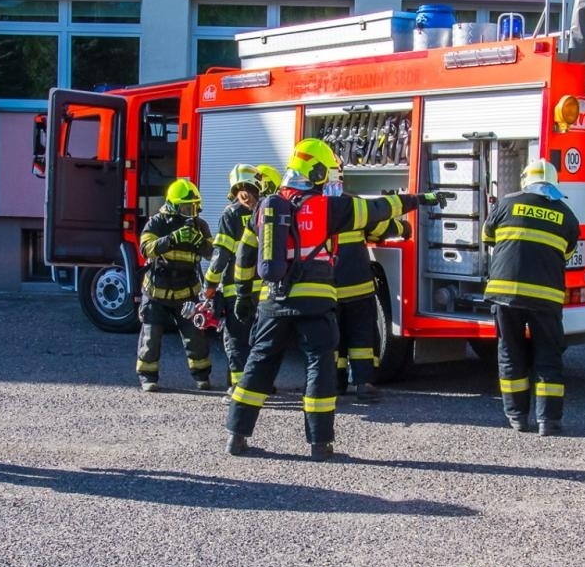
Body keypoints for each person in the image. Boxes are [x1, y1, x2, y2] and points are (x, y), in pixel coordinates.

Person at [225, 138, 434, 460]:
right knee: (319, 366)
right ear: (319, 171)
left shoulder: (266, 207)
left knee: (259, 365)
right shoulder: (329, 207)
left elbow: (244, 254)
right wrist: (419, 199)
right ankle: (320, 444)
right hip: (315, 300)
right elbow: (378, 208)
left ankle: (236, 437)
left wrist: (242, 295)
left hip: (273, 300)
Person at [481, 159, 581, 436]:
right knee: (548, 355)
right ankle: (549, 422)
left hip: (505, 293)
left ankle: (517, 418)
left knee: (510, 352)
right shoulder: (567, 214)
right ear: (553, 182)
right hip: (546, 296)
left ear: (526, 180)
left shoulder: (505, 204)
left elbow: (487, 237)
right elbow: (567, 254)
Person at [331, 187, 409, 403]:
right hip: (358, 286)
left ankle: (335, 383)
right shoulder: (354, 204)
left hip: (328, 288)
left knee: (332, 338)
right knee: (361, 336)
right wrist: (404, 227)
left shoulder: (314, 207)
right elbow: (379, 228)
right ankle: (363, 384)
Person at [136, 178, 214, 392]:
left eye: (194, 206)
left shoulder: (200, 225)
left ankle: (202, 377)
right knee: (151, 338)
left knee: (195, 338)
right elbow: (146, 249)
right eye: (186, 207)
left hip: (187, 293)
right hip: (156, 292)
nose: (191, 211)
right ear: (172, 205)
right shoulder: (157, 222)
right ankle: (148, 377)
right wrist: (171, 239)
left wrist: (200, 242)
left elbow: (212, 253)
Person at [202, 164, 262, 400]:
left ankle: (239, 388)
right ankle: (261, 383)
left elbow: (221, 255)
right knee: (261, 338)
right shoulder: (267, 210)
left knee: (236, 338)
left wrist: (209, 284)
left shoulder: (231, 214)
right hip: (265, 289)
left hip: (237, 288)